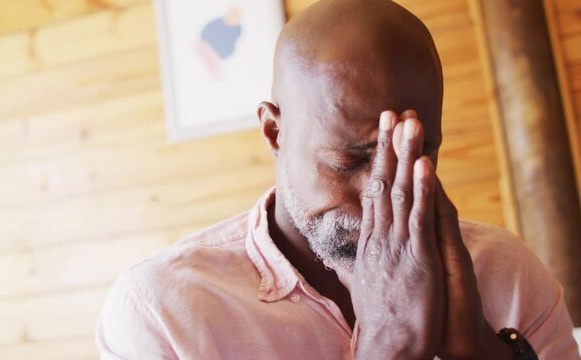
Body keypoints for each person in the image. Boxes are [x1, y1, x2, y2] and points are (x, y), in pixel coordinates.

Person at [96, 0, 580, 358]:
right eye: (349, 161)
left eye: (415, 154)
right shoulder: (162, 313)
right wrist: (388, 349)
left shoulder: (507, 275)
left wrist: (480, 350)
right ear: (274, 132)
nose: (381, 195)